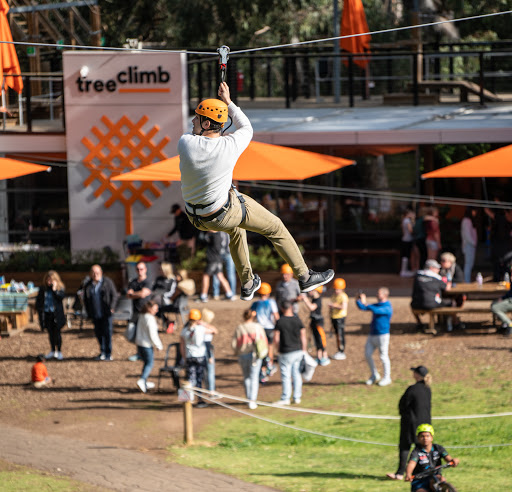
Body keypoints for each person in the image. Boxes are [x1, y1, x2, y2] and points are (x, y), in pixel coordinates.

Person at [178, 81, 334, 301]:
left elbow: (206, 136)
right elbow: (247, 128)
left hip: (195, 218)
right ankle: (305, 276)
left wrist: (220, 108)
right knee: (275, 227)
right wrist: (229, 102)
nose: (193, 120)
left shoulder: (185, 143)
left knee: (236, 229)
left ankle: (248, 282)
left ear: (205, 123)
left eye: (197, 117)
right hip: (221, 214)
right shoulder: (230, 145)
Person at [387, 366, 432, 481]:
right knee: (421, 449)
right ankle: (424, 472)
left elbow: (403, 404)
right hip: (425, 424)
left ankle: (400, 473)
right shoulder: (428, 389)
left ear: (417, 375)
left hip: (410, 423)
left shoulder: (412, 389)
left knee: (405, 447)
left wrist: (403, 414)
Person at [180, 309, 218, 408]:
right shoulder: (200, 329)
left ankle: (189, 399)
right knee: (199, 379)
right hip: (200, 357)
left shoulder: (184, 331)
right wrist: (204, 324)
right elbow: (214, 331)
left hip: (189, 357)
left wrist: (184, 358)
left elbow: (182, 346)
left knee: (190, 379)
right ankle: (199, 400)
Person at [232, 308, 268, 409]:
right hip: (255, 355)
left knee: (246, 377)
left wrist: (236, 352)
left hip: (243, 355)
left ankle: (249, 399)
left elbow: (234, 343)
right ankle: (252, 400)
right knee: (254, 377)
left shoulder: (239, 328)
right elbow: (264, 340)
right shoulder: (257, 327)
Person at [356, 287, 393, 386]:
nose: (377, 295)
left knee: (383, 356)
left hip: (383, 335)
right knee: (367, 355)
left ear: (385, 295)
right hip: (372, 334)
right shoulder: (377, 305)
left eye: (379, 293)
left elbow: (377, 311)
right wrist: (358, 300)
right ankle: (374, 375)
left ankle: (387, 377)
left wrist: (365, 302)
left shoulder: (387, 307)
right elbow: (363, 308)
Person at [405, 424, 459, 490]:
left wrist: (453, 461)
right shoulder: (416, 451)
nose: (425, 438)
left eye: (427, 436)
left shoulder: (438, 448)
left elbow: (448, 459)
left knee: (441, 480)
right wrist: (408, 473)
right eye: (422, 436)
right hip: (420, 480)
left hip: (435, 477)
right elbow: (411, 463)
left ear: (432, 437)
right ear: (418, 438)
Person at [83, 264, 119, 361]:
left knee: (107, 333)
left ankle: (108, 353)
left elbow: (115, 295)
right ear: (90, 274)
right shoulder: (88, 285)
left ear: (101, 273)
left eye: (97, 273)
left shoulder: (107, 282)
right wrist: (88, 311)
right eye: (93, 273)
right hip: (95, 313)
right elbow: (86, 299)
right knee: (99, 333)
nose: (95, 275)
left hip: (106, 313)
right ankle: (102, 352)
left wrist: (112, 307)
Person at [273, 300, 307, 406]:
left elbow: (276, 338)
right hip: (297, 351)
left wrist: (278, 349)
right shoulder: (297, 320)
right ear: (291, 308)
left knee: (286, 375)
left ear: (282, 308)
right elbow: (303, 336)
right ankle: (297, 397)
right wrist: (304, 350)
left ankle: (285, 397)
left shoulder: (280, 321)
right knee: (296, 374)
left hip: (285, 351)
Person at [411, 260, 452, 331]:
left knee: (414, 303)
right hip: (431, 304)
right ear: (431, 268)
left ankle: (419, 323)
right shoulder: (436, 278)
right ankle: (450, 324)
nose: (438, 270)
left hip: (415, 303)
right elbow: (446, 288)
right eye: (437, 268)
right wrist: (449, 282)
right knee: (451, 303)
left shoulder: (417, 276)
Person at [250, 282, 279, 382]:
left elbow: (252, 316)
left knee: (261, 349)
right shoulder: (271, 302)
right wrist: (278, 327)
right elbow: (276, 316)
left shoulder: (256, 303)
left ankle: (262, 371)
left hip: (259, 329)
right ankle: (269, 367)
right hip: (270, 328)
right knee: (269, 348)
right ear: (268, 293)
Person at [35, 270, 66, 361]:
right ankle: (52, 350)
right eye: (48, 280)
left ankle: (59, 351)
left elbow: (61, 298)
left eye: (51, 280)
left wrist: (55, 290)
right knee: (50, 333)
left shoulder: (59, 288)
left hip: (56, 314)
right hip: (47, 314)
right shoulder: (43, 289)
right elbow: (39, 301)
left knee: (57, 333)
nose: (49, 282)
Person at [134, 301, 163, 393]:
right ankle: (142, 380)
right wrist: (158, 345)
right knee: (150, 363)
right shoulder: (150, 318)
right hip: (146, 345)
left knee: (146, 363)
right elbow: (152, 334)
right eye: (155, 308)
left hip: (139, 343)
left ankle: (144, 382)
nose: (157, 310)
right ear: (149, 308)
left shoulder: (142, 316)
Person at [199, 231, 235, 303]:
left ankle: (203, 295)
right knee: (220, 276)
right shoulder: (219, 235)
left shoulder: (213, 235)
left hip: (212, 260)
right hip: (218, 259)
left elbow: (203, 240)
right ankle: (229, 294)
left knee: (206, 276)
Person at [302, 286, 330, 366]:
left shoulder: (318, 300)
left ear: (316, 291)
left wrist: (305, 299)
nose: (309, 292)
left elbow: (312, 307)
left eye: (311, 290)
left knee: (321, 339)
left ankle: (325, 356)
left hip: (319, 323)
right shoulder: (314, 299)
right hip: (313, 322)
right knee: (316, 340)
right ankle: (319, 356)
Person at [212, 231, 237, 300]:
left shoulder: (220, 227)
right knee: (217, 273)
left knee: (227, 273)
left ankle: (231, 293)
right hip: (221, 253)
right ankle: (216, 293)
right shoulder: (229, 227)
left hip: (227, 253)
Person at [328, 277, 348, 360]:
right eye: (335, 289)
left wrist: (333, 305)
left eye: (338, 289)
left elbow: (343, 307)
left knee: (340, 335)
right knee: (337, 335)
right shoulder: (334, 295)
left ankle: (342, 351)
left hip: (340, 318)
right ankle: (339, 350)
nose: (336, 291)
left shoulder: (343, 296)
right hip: (334, 317)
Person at [201, 308, 217, 393]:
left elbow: (214, 330)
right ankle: (211, 391)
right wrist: (210, 356)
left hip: (203, 351)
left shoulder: (201, 326)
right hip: (206, 351)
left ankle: (209, 389)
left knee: (206, 372)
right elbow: (206, 343)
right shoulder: (202, 329)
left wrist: (204, 324)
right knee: (210, 371)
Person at [460, 207, 478, 283]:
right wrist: (473, 243)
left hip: (471, 245)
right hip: (468, 245)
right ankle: (466, 281)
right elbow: (467, 235)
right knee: (468, 264)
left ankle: (467, 279)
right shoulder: (466, 221)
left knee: (470, 264)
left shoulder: (470, 221)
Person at [400, 208, 416, 277]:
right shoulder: (407, 221)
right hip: (408, 239)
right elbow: (411, 231)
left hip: (405, 239)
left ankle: (404, 270)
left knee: (405, 255)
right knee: (406, 255)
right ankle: (404, 271)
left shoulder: (404, 220)